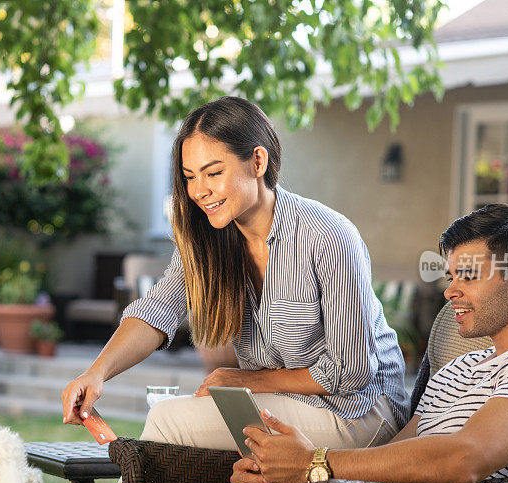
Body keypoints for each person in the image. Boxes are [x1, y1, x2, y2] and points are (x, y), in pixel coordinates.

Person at [96, 203, 508, 483]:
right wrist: (293, 471)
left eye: (467, 276)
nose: (450, 291)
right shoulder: (463, 367)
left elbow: (464, 460)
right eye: (449, 275)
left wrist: (316, 465)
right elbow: (398, 452)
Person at [61, 96, 409, 458]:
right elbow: (158, 309)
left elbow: (350, 372)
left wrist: (248, 381)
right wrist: (96, 374)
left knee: (168, 420)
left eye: (213, 173)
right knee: (174, 437)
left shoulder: (329, 236)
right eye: (189, 177)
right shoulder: (209, 239)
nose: (198, 191)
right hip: (277, 403)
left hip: (362, 413)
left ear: (258, 161)